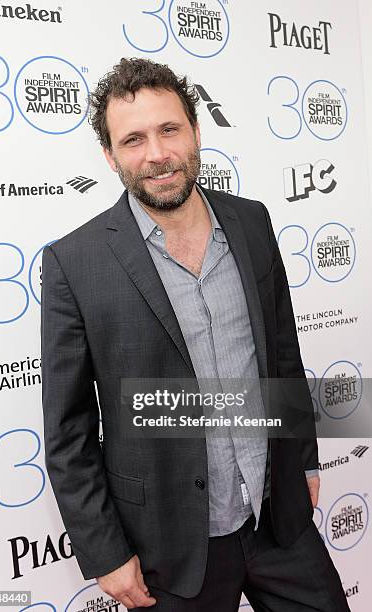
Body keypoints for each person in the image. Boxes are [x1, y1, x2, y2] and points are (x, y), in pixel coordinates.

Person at [41, 58, 350, 611]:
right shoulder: (75, 262)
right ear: (110, 157)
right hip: (169, 544)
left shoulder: (252, 221)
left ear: (195, 131)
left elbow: (282, 353)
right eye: (133, 139)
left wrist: (302, 458)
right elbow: (69, 431)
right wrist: (104, 551)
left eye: (169, 129)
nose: (157, 153)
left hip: (277, 519)